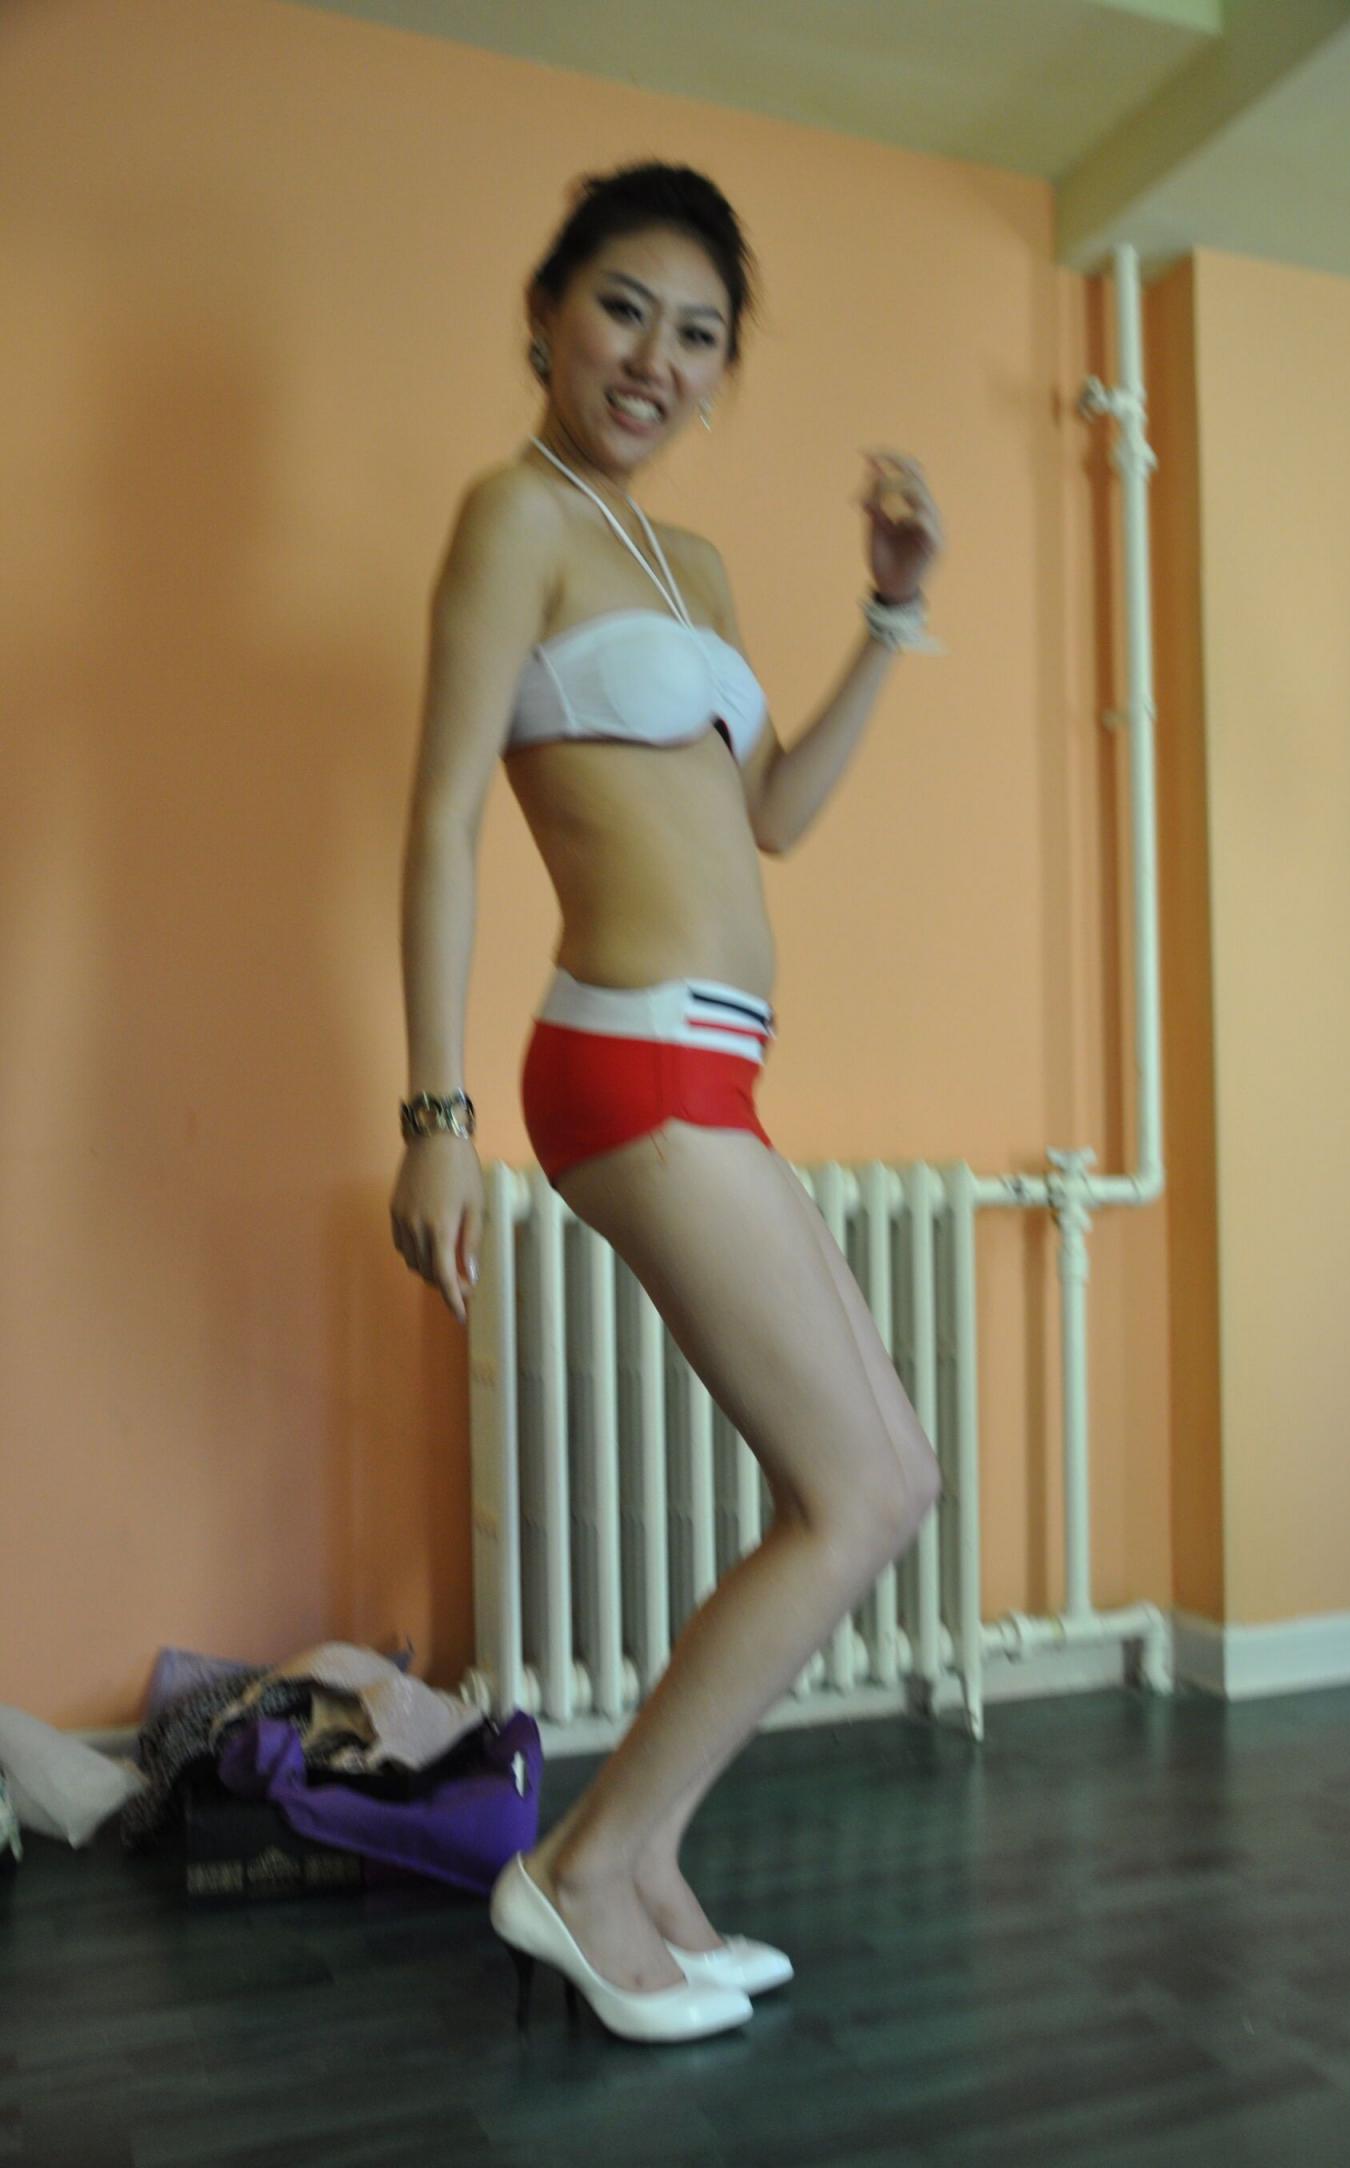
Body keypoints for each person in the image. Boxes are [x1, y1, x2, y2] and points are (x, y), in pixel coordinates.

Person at [390, 161, 946, 2043]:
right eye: (623, 307)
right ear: (548, 313)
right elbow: (444, 822)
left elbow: (770, 814)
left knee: (883, 1479)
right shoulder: (514, 519)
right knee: (859, 1493)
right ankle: (581, 1868)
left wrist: (891, 619)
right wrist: (435, 1117)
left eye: (698, 334)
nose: (655, 357)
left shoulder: (686, 566)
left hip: (715, 1064)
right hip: (623, 1055)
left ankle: (640, 1869)